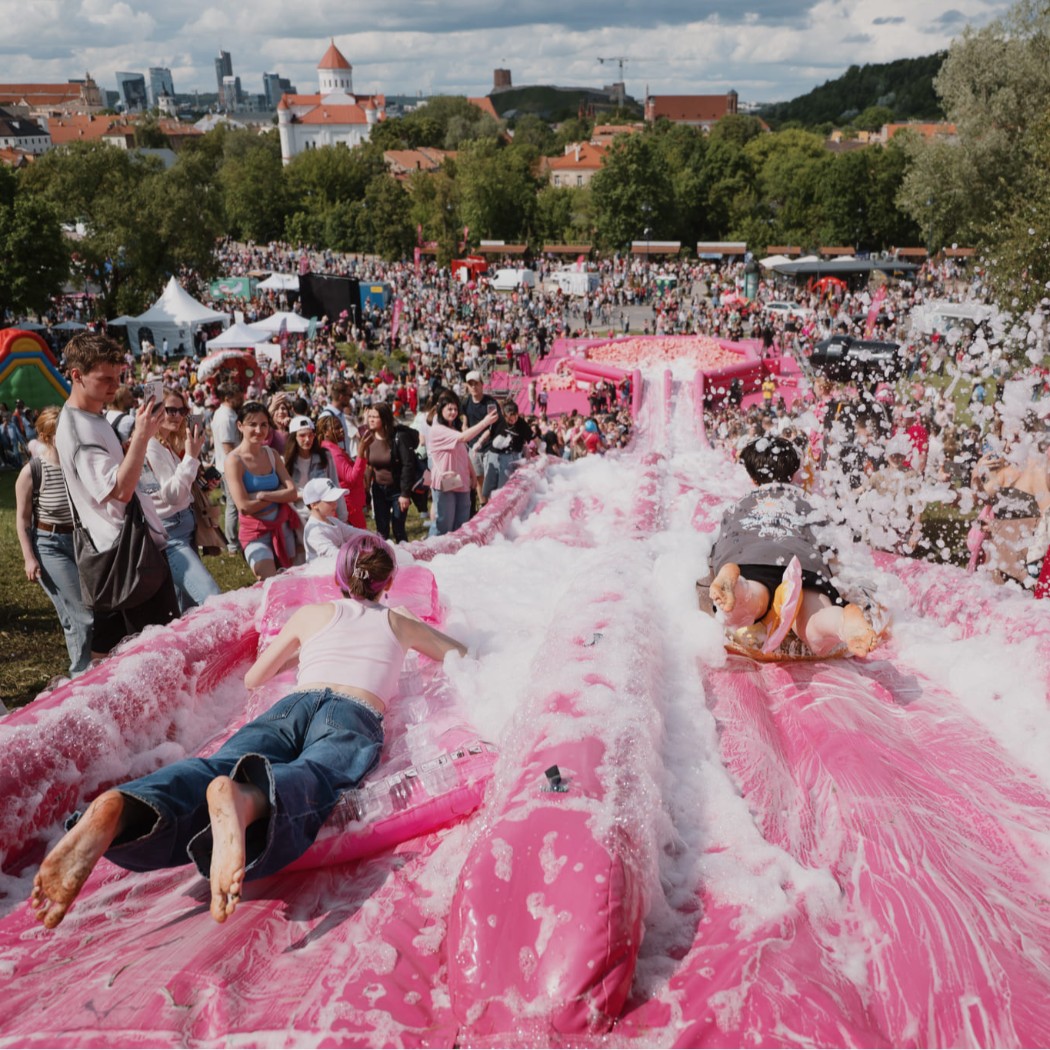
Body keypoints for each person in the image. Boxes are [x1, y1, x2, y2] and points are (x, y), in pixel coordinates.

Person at [31, 534, 469, 929]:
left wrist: (305, 654)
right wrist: (409, 632)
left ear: (339, 579)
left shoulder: (313, 615)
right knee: (317, 773)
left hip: (294, 704)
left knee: (221, 762)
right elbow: (457, 653)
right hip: (354, 710)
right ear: (387, 581)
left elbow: (256, 677)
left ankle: (127, 807)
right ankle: (247, 799)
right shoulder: (399, 620)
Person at [55, 333, 181, 658]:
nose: (115, 386)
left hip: (120, 552)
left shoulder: (91, 417)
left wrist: (128, 450)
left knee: (112, 655)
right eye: (105, 379)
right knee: (157, 654)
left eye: (117, 377)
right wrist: (141, 437)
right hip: (125, 557)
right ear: (77, 375)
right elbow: (120, 491)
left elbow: (110, 479)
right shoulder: (79, 430)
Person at [707, 437, 878, 658]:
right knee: (813, 622)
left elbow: (720, 544)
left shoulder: (737, 506)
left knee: (749, 602)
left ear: (752, 477)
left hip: (748, 558)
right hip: (803, 562)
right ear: (795, 471)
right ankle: (842, 623)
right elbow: (831, 549)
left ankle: (738, 585)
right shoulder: (810, 503)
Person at [14, 406, 93, 678]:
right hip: (50, 545)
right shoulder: (32, 471)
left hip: (81, 541)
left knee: (77, 615)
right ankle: (81, 674)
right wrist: (29, 557)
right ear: (47, 437)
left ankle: (84, 674)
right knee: (82, 615)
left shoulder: (78, 465)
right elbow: (22, 520)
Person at [142, 388, 221, 612]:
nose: (177, 416)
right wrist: (191, 456)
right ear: (156, 410)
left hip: (183, 527)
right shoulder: (151, 447)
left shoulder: (165, 444)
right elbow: (172, 495)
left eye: (182, 411)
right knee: (212, 598)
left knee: (186, 608)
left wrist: (201, 483)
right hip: (171, 534)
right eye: (170, 410)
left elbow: (176, 488)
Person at [224, 402, 300, 580]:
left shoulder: (272, 454)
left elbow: (293, 493)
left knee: (293, 581)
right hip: (255, 533)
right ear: (240, 426)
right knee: (270, 583)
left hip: (283, 527)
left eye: (264, 424)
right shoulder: (234, 461)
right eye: (252, 424)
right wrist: (279, 494)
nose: (259, 430)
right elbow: (244, 507)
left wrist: (263, 495)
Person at [426, 391, 498, 536]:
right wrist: (485, 422)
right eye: (449, 409)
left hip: (460, 480)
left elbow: (464, 453)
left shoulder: (453, 428)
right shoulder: (438, 429)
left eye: (455, 409)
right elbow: (464, 437)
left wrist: (472, 474)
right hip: (446, 481)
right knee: (444, 524)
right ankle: (433, 547)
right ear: (440, 410)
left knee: (461, 524)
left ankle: (457, 548)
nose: (453, 412)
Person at [361, 402, 420, 544]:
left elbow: (408, 465)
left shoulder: (399, 437)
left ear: (384, 418)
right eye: (370, 417)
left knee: (398, 527)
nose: (371, 420)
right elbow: (368, 465)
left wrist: (405, 494)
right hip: (378, 489)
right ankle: (383, 555)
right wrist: (366, 490)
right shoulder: (368, 437)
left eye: (375, 417)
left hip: (397, 489)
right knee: (381, 529)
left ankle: (405, 554)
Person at [284, 415, 346, 529]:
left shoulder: (325, 456)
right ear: (293, 437)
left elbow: (335, 484)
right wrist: (305, 495)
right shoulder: (286, 461)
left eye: (311, 435)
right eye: (302, 435)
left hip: (323, 516)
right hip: (297, 517)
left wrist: (343, 518)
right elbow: (284, 494)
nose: (308, 439)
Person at [316, 413, 368, 528]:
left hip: (351, 505)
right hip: (349, 507)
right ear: (325, 432)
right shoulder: (333, 453)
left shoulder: (332, 449)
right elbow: (351, 478)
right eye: (336, 428)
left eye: (341, 427)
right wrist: (360, 452)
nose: (341, 430)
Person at [211, 382, 244, 555]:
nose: (241, 399)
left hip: (228, 465)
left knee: (234, 504)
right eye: (238, 397)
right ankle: (232, 544)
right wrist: (240, 465)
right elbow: (227, 447)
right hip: (229, 467)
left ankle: (234, 541)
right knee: (233, 505)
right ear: (228, 397)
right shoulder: (225, 417)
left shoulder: (226, 413)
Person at [302, 478, 368, 560]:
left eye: (335, 499)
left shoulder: (332, 520)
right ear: (314, 505)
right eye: (330, 501)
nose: (335, 504)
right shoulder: (314, 531)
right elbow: (333, 554)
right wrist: (359, 557)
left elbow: (352, 532)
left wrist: (374, 538)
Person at [480, 399, 531, 500]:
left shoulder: (521, 424)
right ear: (504, 415)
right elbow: (489, 432)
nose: (513, 421)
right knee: (488, 488)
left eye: (515, 418)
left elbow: (527, 443)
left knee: (502, 489)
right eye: (510, 419)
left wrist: (527, 461)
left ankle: (499, 504)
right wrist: (480, 442)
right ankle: (488, 504)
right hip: (494, 455)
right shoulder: (498, 419)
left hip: (510, 458)